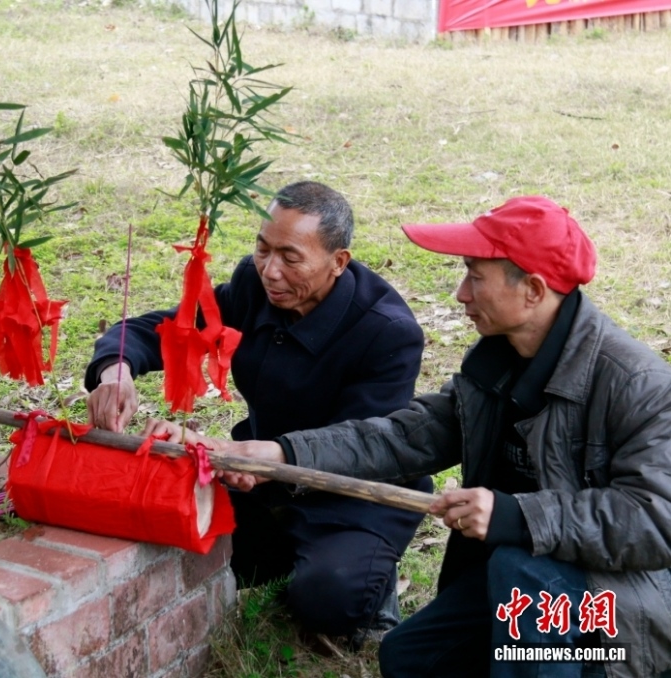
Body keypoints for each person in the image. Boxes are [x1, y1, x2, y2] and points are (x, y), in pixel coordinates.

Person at [209, 195, 671, 677]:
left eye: (474, 275)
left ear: (532, 290)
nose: (460, 294)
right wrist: (283, 452)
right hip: (518, 579)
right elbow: (401, 436)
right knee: (410, 658)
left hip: (615, 606)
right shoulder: (497, 362)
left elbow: (657, 521)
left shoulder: (637, 384)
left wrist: (517, 516)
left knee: (522, 572)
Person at [85, 180, 433, 646]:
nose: (270, 270)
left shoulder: (388, 332)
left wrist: (272, 462)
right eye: (262, 249)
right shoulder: (254, 285)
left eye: (290, 257)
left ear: (338, 261)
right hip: (256, 476)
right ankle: (282, 547)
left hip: (349, 496)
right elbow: (171, 328)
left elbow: (363, 447)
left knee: (328, 601)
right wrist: (117, 368)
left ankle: (369, 576)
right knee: (175, 534)